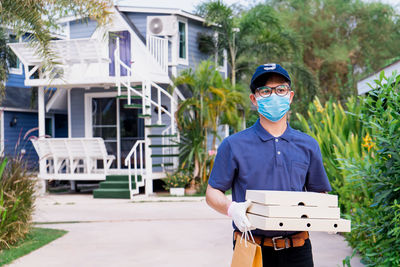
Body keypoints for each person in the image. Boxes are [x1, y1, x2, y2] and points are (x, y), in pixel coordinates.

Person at [205, 63, 332, 267]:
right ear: (254, 99)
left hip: (298, 249)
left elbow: (319, 193)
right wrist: (232, 209)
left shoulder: (308, 145)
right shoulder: (233, 145)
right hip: (251, 247)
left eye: (280, 89)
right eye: (265, 90)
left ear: (290, 96)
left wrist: (326, 213)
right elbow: (212, 193)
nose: (274, 95)